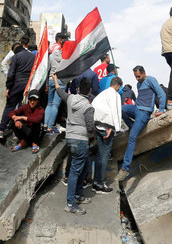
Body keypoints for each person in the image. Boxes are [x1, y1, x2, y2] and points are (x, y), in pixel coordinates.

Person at [114, 66, 166, 182]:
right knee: (120, 108)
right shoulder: (138, 84)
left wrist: (161, 109)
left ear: (144, 73)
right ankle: (133, 126)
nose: (137, 79)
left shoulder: (151, 80)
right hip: (136, 108)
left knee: (132, 137)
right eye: (135, 77)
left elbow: (161, 94)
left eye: (138, 76)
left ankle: (125, 168)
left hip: (144, 113)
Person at [57, 76, 95, 215]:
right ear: (90, 90)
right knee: (75, 172)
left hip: (70, 138)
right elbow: (90, 127)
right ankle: (70, 203)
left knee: (85, 165)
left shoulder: (71, 98)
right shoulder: (88, 107)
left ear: (78, 89)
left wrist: (55, 79)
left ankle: (78, 194)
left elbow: (60, 92)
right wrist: (93, 136)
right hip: (81, 140)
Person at [0, 36, 35, 140]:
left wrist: (8, 87)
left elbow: (11, 74)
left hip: (16, 85)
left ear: (14, 50)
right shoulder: (33, 57)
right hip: (27, 87)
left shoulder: (15, 57)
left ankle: (1, 131)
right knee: (21, 108)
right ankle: (17, 132)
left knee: (9, 107)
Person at [92, 76, 123, 194]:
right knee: (104, 156)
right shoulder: (115, 95)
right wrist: (115, 128)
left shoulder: (101, 94)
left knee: (99, 155)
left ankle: (96, 182)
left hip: (97, 126)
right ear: (117, 85)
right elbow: (115, 111)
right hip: (107, 128)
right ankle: (100, 184)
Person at [45, 33, 67, 133]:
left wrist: (46, 84)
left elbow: (47, 70)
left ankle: (45, 124)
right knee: (55, 105)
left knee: (49, 103)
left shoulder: (52, 55)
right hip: (61, 81)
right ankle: (50, 126)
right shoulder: (67, 58)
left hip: (51, 79)